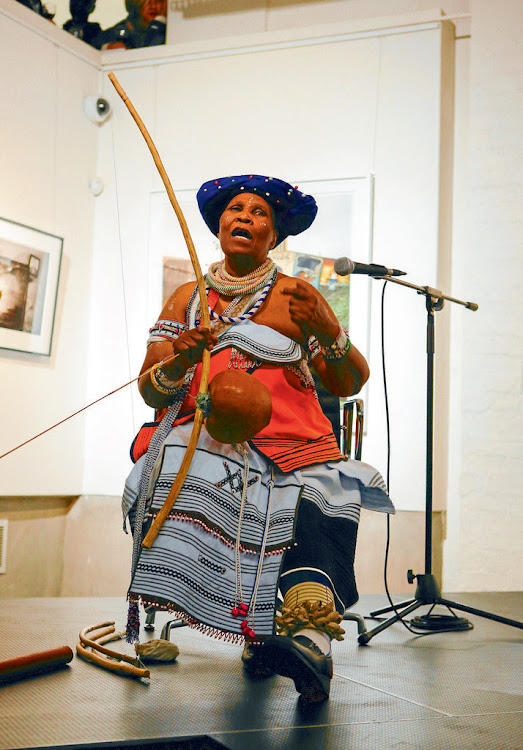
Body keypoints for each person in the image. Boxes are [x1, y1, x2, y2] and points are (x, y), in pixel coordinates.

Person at [122, 174, 394, 703]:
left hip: (292, 438)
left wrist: (327, 327)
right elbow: (151, 391)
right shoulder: (188, 298)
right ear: (219, 224)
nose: (245, 217)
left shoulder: (296, 295)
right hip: (206, 437)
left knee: (316, 495)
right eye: (235, 209)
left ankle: (311, 641)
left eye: (259, 213)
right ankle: (257, 632)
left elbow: (350, 381)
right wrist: (181, 355)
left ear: (276, 235)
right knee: (168, 465)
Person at [95, 0, 166, 50]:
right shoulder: (115, 33)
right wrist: (107, 47)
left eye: (159, 0)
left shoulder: (169, 32)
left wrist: (159, 22)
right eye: (147, 2)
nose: (153, 6)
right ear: (134, 3)